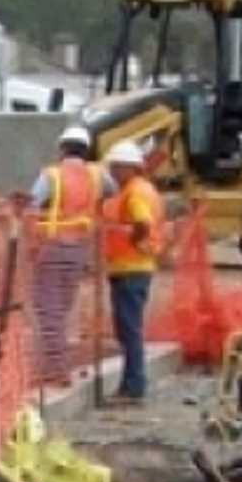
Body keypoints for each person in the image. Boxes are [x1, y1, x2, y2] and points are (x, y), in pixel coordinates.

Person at [21, 124, 110, 386]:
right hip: (80, 248)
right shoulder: (97, 175)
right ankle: (57, 365)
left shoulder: (51, 175)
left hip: (52, 245)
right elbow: (112, 190)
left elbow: (32, 204)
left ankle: (57, 370)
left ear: (62, 148)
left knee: (49, 309)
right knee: (62, 308)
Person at [100, 140, 165, 403]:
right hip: (132, 267)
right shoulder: (143, 189)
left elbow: (142, 222)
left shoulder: (135, 192)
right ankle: (131, 384)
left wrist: (135, 239)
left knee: (130, 329)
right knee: (128, 328)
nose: (113, 172)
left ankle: (133, 387)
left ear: (130, 168)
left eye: (117, 167)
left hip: (131, 268)